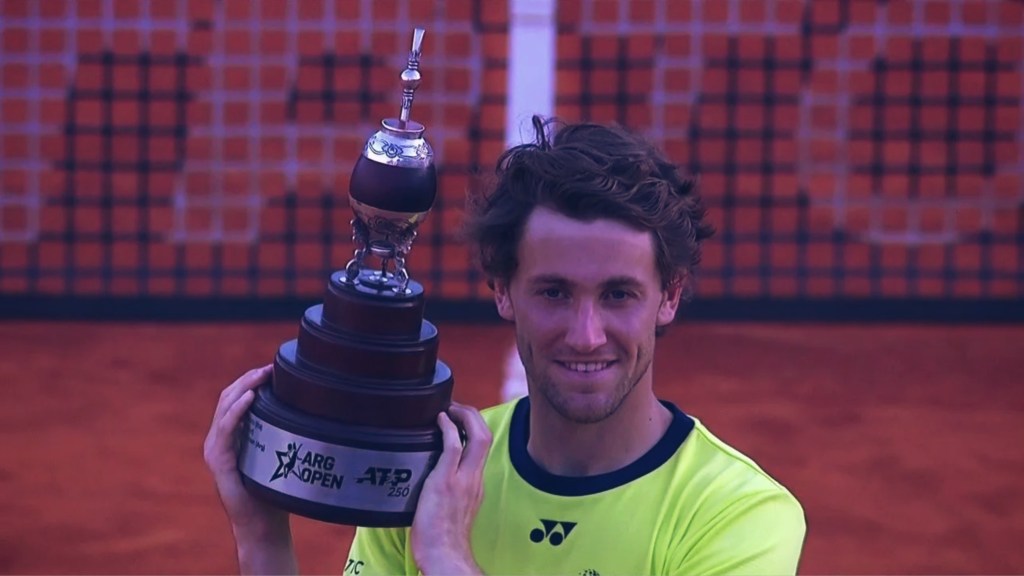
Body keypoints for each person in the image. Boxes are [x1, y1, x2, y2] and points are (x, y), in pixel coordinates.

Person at [204, 116, 806, 575]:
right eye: (553, 292)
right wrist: (263, 541)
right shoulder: (430, 468)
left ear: (669, 296)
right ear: (502, 291)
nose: (585, 334)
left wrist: (444, 555)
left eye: (619, 295)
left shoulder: (738, 514)